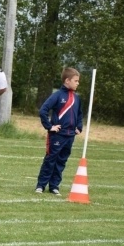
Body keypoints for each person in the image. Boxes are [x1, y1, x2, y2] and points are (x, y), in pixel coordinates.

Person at [35, 67, 83, 195]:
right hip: (57, 135)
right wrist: (50, 126)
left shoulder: (77, 98)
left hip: (70, 136)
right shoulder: (57, 95)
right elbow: (43, 110)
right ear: (67, 81)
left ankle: (54, 186)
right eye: (76, 80)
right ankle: (41, 185)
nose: (78, 83)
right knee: (51, 159)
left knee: (62, 160)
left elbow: (79, 114)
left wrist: (79, 127)